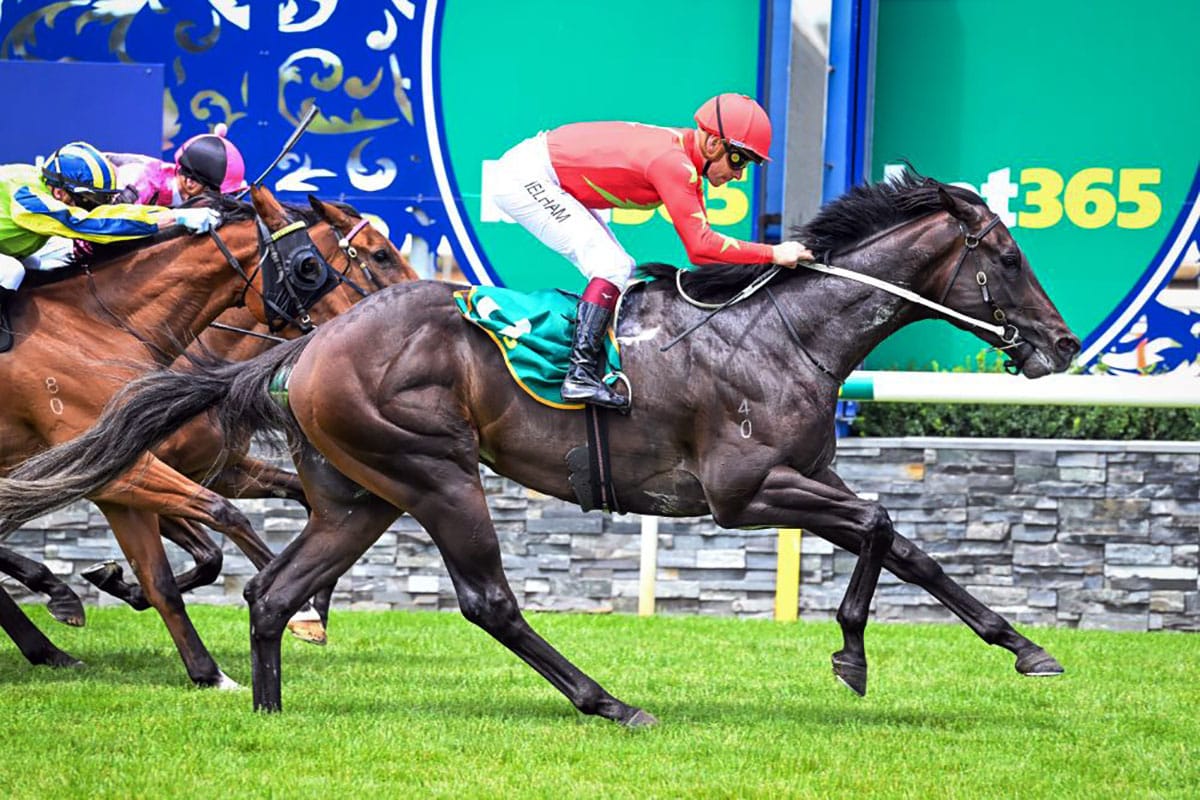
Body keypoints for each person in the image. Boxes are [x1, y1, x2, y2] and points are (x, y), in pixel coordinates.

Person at [491, 93, 814, 412]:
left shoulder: (684, 157)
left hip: (540, 171)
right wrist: (773, 253)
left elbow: (703, 243)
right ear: (714, 144)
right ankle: (579, 373)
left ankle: (586, 362)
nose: (739, 174)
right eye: (738, 159)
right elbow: (701, 248)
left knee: (619, 266)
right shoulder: (674, 164)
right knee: (611, 266)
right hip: (527, 177)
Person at [0, 141, 220, 352]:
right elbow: (91, 223)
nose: (94, 206)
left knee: (35, 264)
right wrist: (175, 218)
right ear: (60, 193)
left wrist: (174, 215)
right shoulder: (29, 200)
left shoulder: (47, 185)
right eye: (88, 199)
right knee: (11, 272)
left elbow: (106, 214)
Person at [109, 123, 247, 207]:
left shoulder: (183, 197)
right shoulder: (143, 182)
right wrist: (175, 219)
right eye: (216, 195)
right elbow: (108, 226)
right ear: (190, 182)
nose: (219, 204)